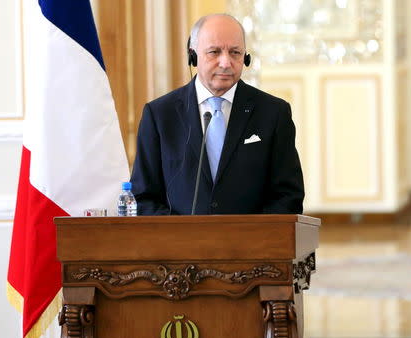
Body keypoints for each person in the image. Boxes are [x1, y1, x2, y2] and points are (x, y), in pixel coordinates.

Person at [130, 14, 304, 215]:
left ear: (245, 58)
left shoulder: (274, 113)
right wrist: (179, 235)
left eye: (235, 52)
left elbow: (288, 196)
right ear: (193, 56)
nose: (226, 62)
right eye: (214, 52)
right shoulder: (159, 115)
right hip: (180, 244)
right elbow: (143, 197)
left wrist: (253, 236)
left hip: (252, 243)